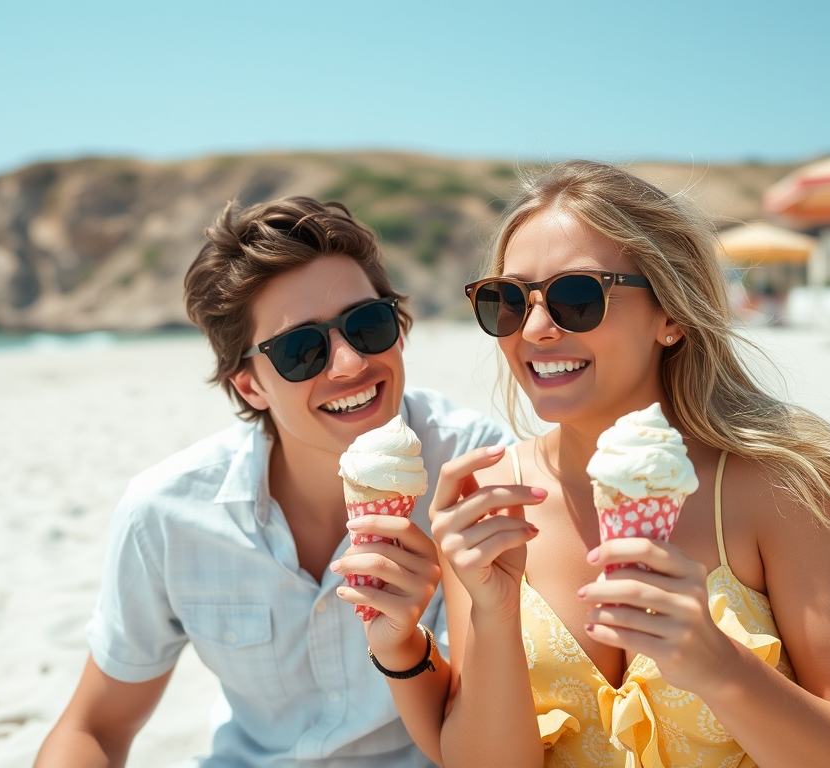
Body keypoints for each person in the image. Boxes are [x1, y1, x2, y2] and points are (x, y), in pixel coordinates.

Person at [354, 161, 830, 768]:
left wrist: (718, 666)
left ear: (670, 315)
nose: (536, 329)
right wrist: (492, 615)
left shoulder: (782, 488)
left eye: (577, 296)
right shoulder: (491, 494)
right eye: (508, 301)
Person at [34, 196, 510, 768]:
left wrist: (409, 645)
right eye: (300, 349)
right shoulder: (167, 513)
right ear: (249, 387)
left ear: (399, 331)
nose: (349, 363)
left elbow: (494, 741)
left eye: (367, 323)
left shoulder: (478, 470)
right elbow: (96, 728)